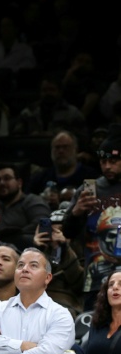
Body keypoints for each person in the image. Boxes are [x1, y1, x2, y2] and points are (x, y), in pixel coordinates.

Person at [62, 123, 121, 310]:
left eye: (113, 161)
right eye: (103, 162)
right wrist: (76, 212)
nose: (107, 167)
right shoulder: (89, 189)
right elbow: (67, 232)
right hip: (96, 279)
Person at [33, 208, 85, 319]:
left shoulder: (80, 251)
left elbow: (79, 284)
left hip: (67, 305)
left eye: (61, 231)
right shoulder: (38, 251)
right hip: (36, 304)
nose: (56, 234)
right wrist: (38, 249)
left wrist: (64, 247)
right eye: (52, 231)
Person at [0, 163, 52, 249]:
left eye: (7, 178)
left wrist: (13, 236)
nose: (1, 183)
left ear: (19, 183)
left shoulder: (32, 200)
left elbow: (44, 224)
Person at [27, 130, 99, 198]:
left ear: (75, 150)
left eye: (65, 147)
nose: (61, 151)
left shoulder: (90, 176)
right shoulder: (40, 179)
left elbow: (91, 202)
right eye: (57, 147)